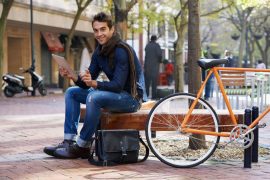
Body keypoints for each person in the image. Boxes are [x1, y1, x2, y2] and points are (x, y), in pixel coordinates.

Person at [43, 12, 146, 159]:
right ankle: (68, 141)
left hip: (131, 99)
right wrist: (73, 76)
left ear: (112, 30)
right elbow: (86, 83)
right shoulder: (99, 52)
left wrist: (95, 83)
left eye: (103, 29)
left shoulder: (122, 51)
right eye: (96, 30)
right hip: (114, 95)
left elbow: (117, 86)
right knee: (72, 93)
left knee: (94, 97)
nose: (99, 34)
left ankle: (82, 145)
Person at [144, 35, 162, 99]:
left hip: (147, 67)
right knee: (154, 82)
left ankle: (146, 95)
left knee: (147, 83)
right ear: (155, 39)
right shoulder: (157, 46)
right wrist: (160, 61)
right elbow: (159, 55)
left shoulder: (147, 46)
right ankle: (154, 96)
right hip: (154, 67)